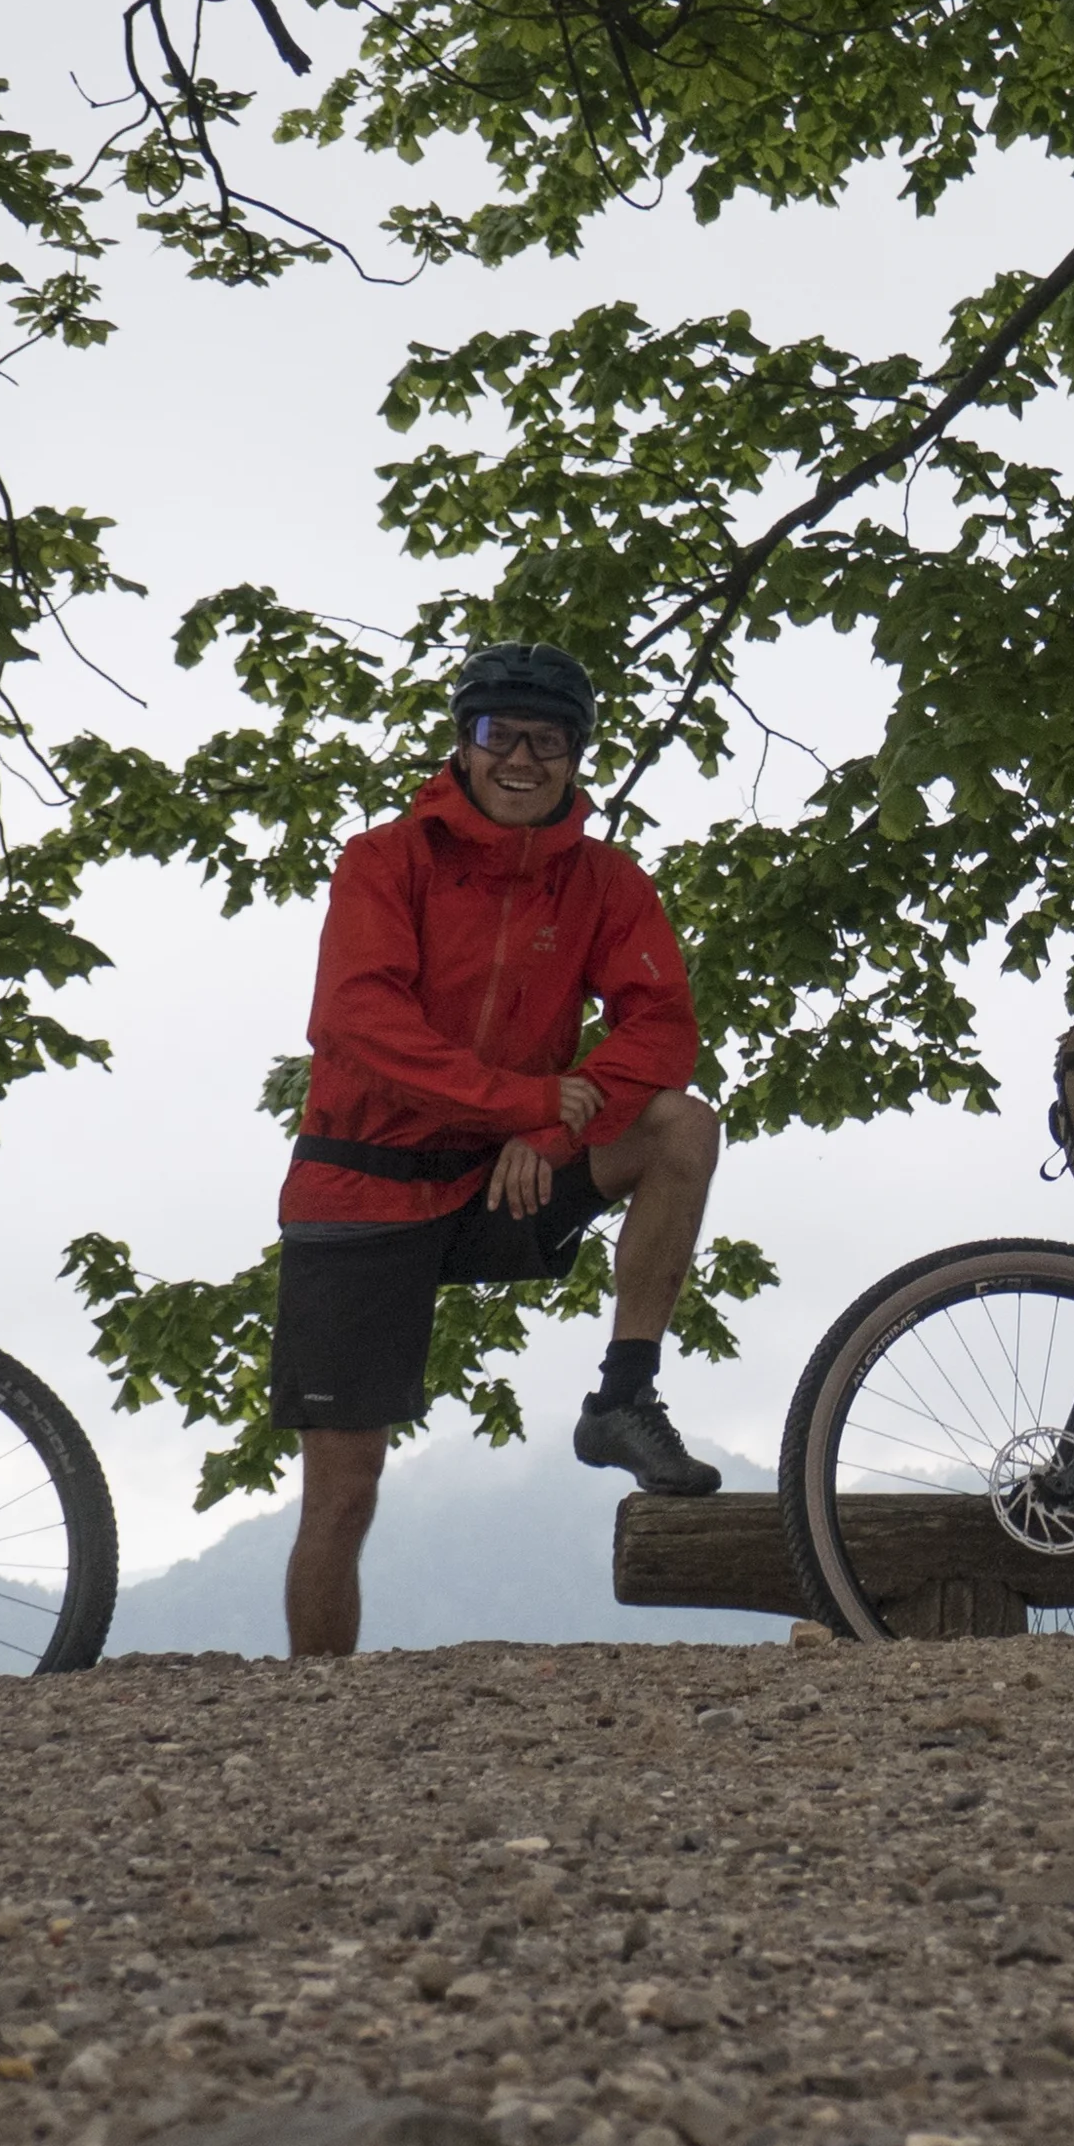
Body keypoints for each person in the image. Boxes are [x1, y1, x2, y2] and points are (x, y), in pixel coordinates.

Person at [269, 643, 728, 1661]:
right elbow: (355, 1022)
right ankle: (315, 1715)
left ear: (575, 758)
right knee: (342, 1496)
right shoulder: (382, 862)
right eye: (499, 734)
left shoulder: (606, 882)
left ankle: (623, 1396)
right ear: (463, 745)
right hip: (363, 1184)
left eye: (548, 741)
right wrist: (515, 1098)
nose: (523, 758)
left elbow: (661, 1027)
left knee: (681, 1126)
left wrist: (550, 1125)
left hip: (503, 1176)